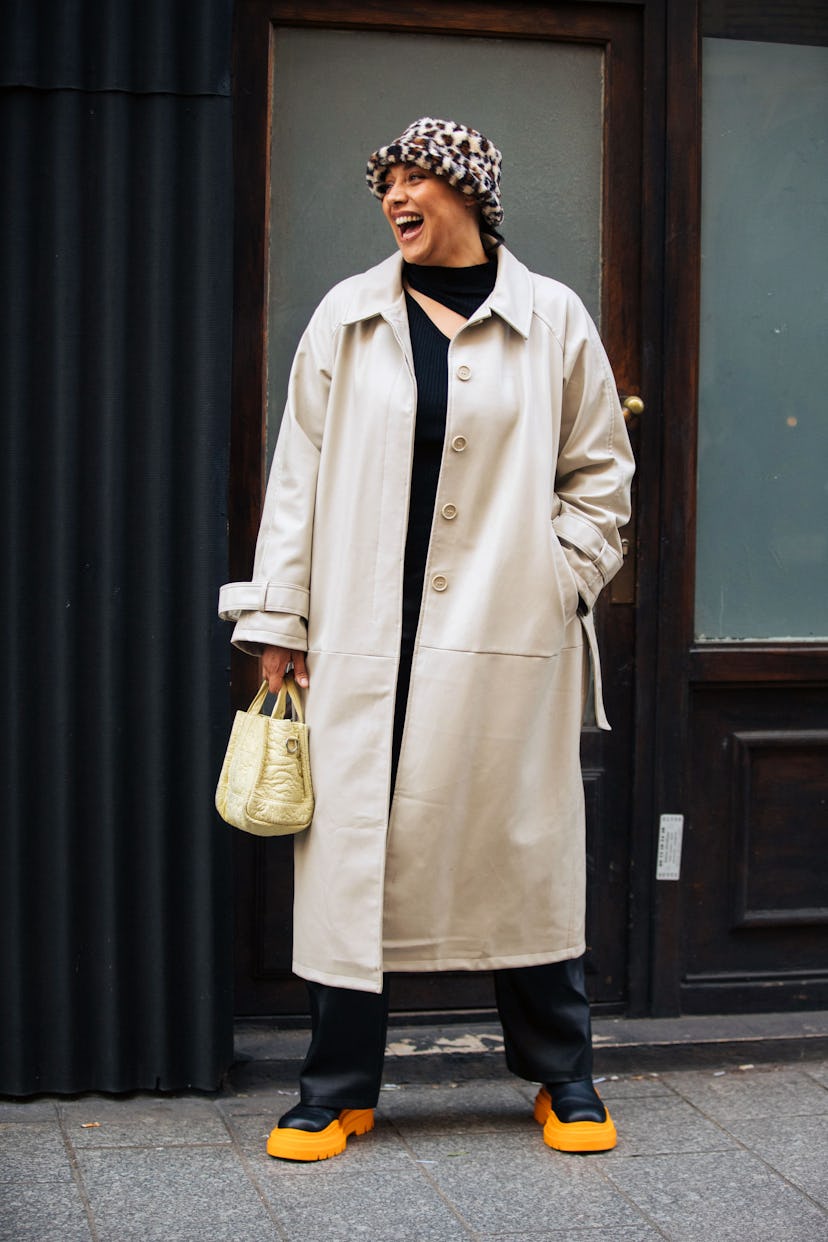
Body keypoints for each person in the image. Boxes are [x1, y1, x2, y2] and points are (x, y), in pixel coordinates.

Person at [219, 117, 635, 1162]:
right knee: (353, 852)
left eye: (416, 181)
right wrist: (278, 620)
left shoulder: (553, 321)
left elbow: (602, 478)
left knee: (519, 847)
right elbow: (298, 482)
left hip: (502, 629)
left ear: (470, 196)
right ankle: (337, 1086)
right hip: (363, 630)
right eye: (387, 184)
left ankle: (561, 1075)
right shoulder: (348, 319)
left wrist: (558, 578)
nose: (396, 198)